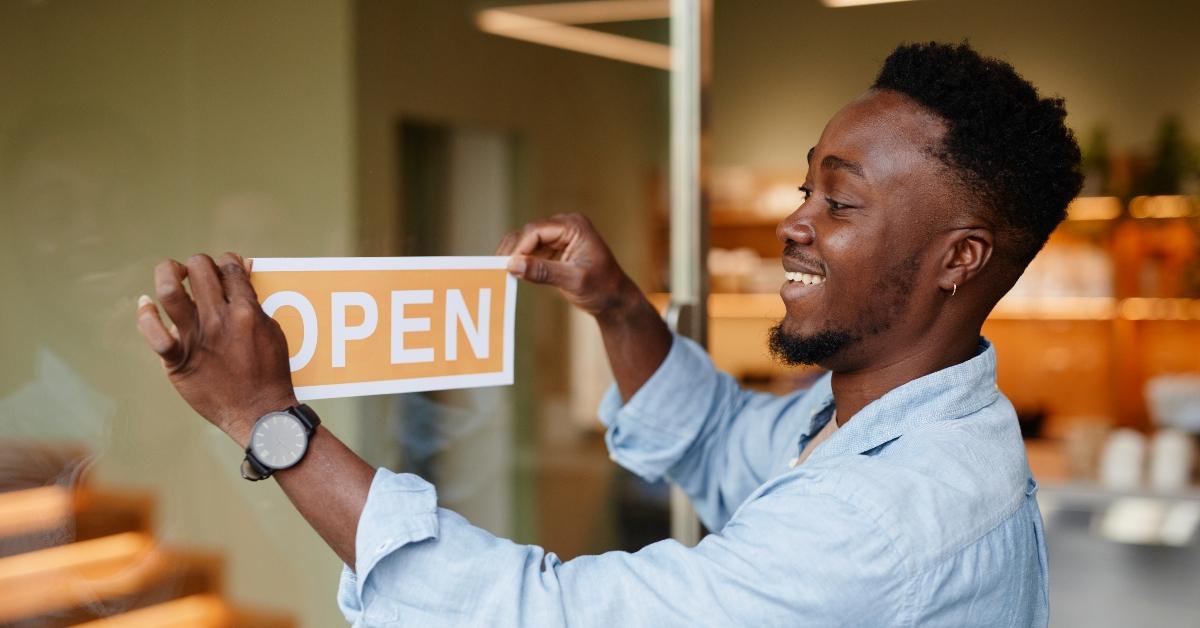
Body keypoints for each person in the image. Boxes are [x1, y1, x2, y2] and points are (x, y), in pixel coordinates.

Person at [135, 42, 1082, 626]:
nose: (796, 222)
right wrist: (618, 306)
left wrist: (274, 423)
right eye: (805, 189)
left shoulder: (884, 519)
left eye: (839, 200)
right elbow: (715, 436)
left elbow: (546, 619)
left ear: (960, 258)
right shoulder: (872, 421)